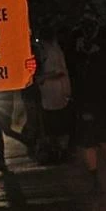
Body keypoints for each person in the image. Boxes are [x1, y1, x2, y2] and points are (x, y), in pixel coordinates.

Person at [76, 25, 106, 184]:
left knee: (98, 140)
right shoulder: (86, 59)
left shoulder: (97, 60)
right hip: (95, 104)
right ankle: (99, 174)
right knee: (93, 142)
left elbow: (97, 83)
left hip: (96, 104)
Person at [34, 26, 72, 162]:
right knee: (52, 126)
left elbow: (59, 71)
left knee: (58, 126)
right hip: (49, 96)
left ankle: (61, 152)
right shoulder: (46, 52)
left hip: (57, 95)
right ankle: (56, 152)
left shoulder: (54, 52)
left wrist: (43, 78)